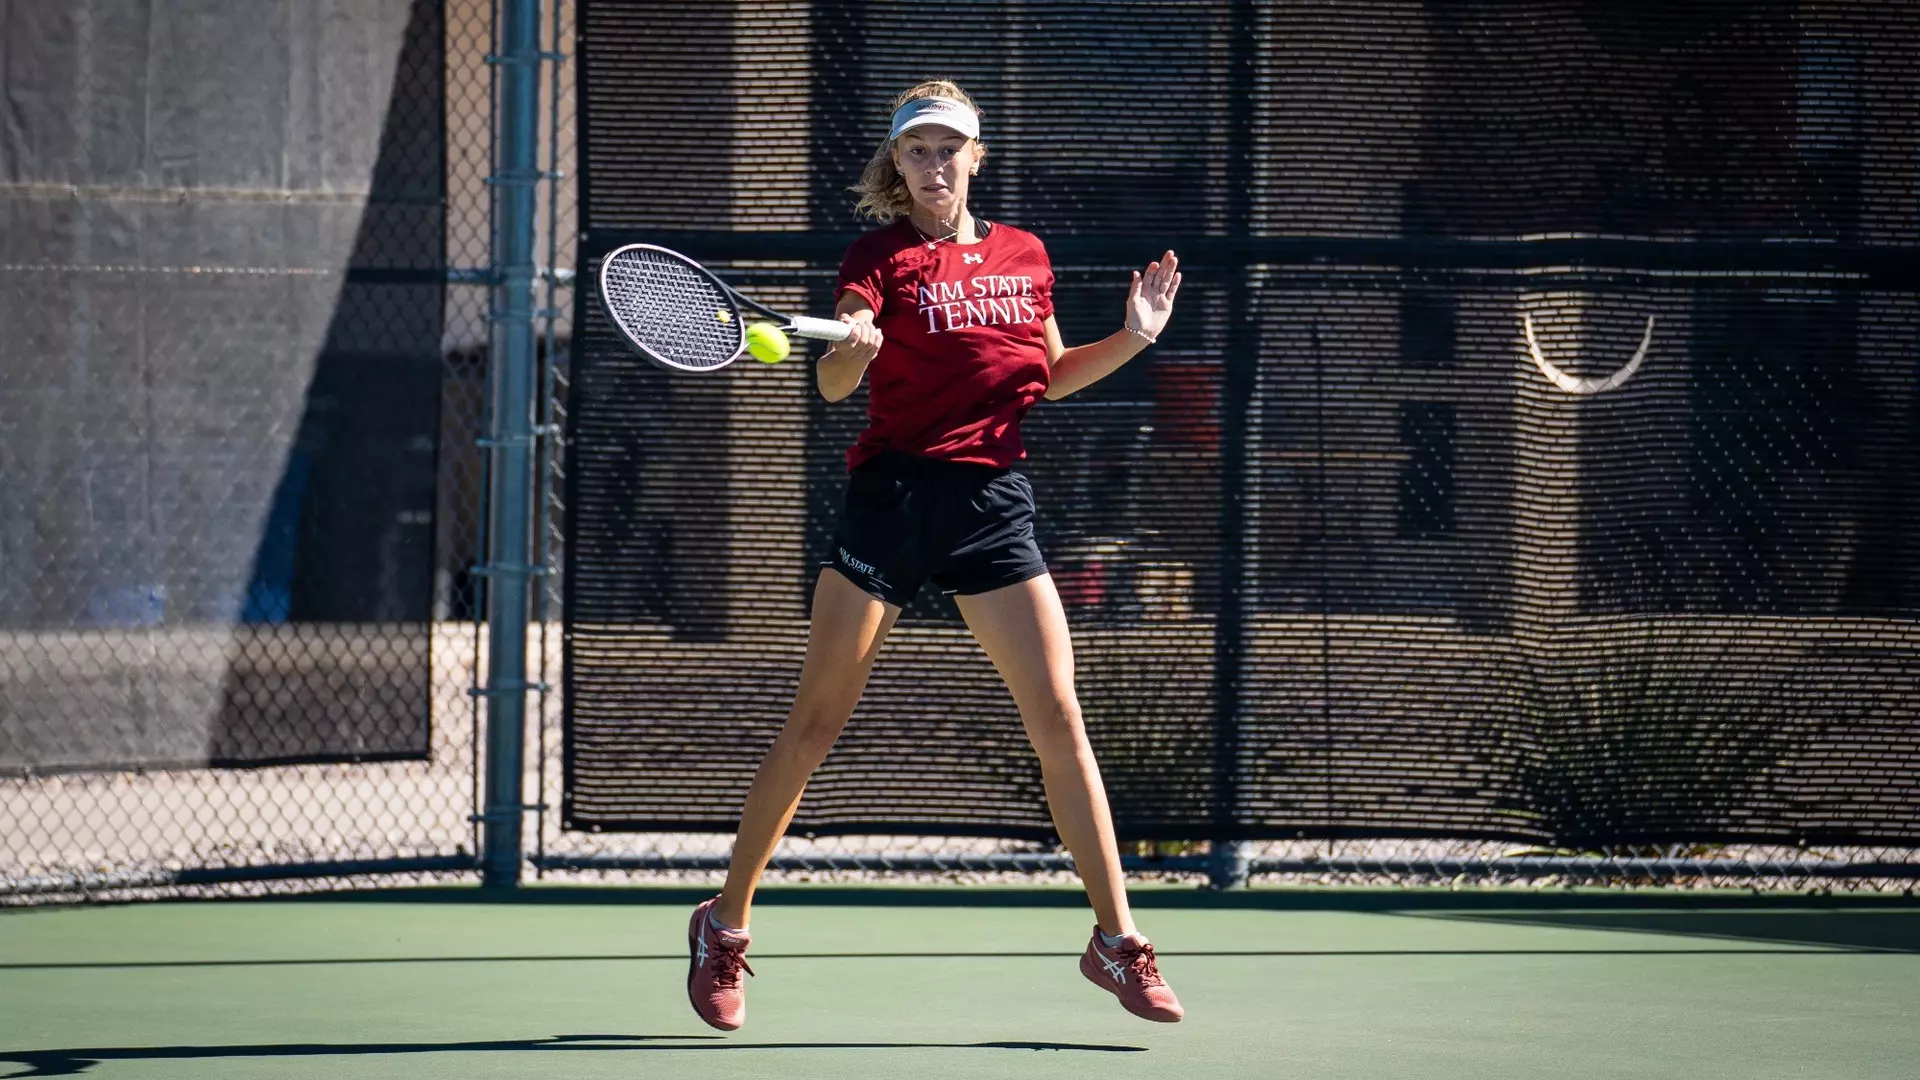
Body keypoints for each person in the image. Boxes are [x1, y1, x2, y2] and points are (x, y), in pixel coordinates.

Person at [686, 79, 1183, 1031]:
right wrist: (858, 348)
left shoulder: (1025, 256)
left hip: (992, 502)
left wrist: (1135, 336)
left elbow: (1051, 376)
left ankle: (1117, 944)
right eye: (917, 150)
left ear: (975, 156)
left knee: (1060, 718)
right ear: (897, 165)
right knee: (817, 723)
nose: (935, 163)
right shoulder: (878, 258)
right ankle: (724, 925)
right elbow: (833, 386)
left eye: (950, 146)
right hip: (893, 499)